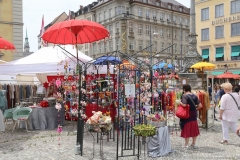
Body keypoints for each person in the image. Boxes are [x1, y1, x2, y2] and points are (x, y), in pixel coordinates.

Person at [180, 84, 202, 149]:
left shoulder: (184, 96)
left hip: (187, 114)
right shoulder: (194, 96)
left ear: (184, 89)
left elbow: (184, 105)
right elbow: (200, 105)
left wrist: (179, 102)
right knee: (194, 128)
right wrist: (195, 109)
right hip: (194, 114)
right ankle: (193, 143)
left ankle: (186, 144)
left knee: (186, 127)